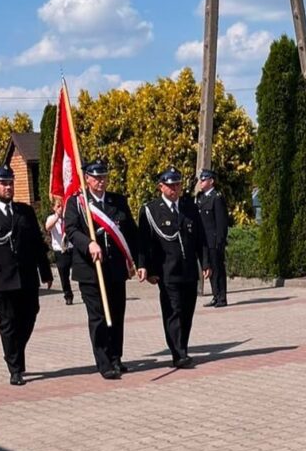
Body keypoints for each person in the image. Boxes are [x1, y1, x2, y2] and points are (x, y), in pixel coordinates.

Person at [0, 165, 53, 386]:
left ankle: (13, 351)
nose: (8, 187)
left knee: (30, 315)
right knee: (8, 322)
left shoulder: (25, 211)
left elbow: (37, 244)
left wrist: (45, 271)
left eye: (10, 183)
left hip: (26, 277)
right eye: (3, 183)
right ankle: (15, 369)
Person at [65, 159, 138, 380]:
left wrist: (139, 262)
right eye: (96, 178)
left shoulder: (117, 201)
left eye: (104, 177)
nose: (100, 181)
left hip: (115, 268)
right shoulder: (77, 203)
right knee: (98, 316)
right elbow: (71, 229)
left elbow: (131, 232)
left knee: (117, 314)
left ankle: (116, 356)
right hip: (90, 270)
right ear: (87, 178)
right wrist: (88, 243)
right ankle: (104, 361)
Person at [138, 166, 211, 368]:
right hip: (166, 271)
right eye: (170, 185)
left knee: (187, 312)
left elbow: (200, 238)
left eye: (177, 184)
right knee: (173, 312)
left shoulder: (189, 207)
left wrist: (205, 262)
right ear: (161, 186)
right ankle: (178, 353)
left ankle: (183, 348)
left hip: (188, 270)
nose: (175, 189)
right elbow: (145, 243)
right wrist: (146, 267)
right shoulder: (151, 210)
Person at [196, 169, 229, 307]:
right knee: (208, 268)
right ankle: (215, 295)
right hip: (204, 240)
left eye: (204, 180)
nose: (201, 182)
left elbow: (221, 222)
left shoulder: (217, 197)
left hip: (214, 240)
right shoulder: (201, 197)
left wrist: (220, 241)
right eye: (201, 180)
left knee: (217, 269)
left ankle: (222, 297)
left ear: (211, 181)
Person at [45, 197, 74, 305]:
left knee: (80, 271)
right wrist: (57, 217)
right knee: (64, 275)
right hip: (60, 250)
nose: (61, 208)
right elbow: (48, 227)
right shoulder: (51, 218)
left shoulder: (69, 217)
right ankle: (68, 295)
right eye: (58, 206)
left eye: (62, 206)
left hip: (72, 248)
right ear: (53, 208)